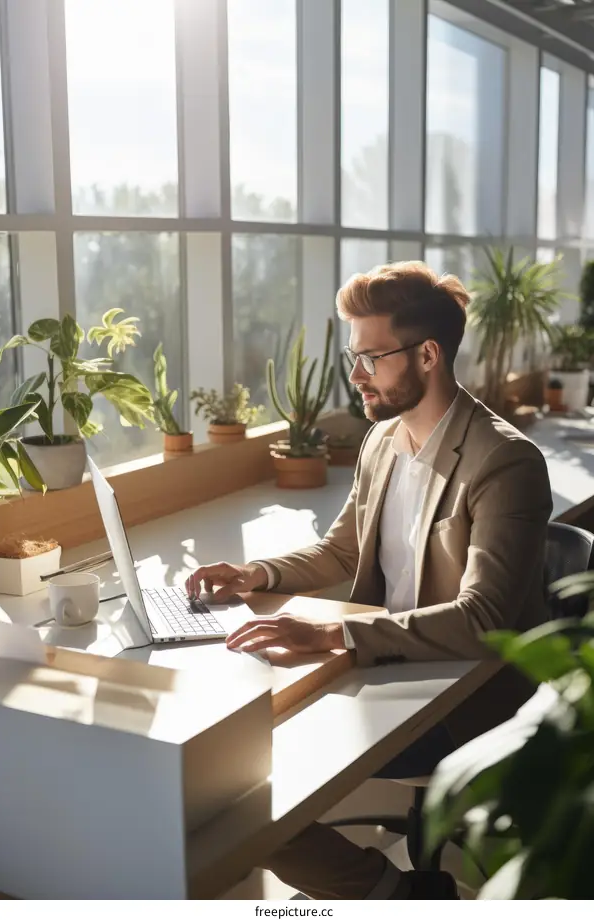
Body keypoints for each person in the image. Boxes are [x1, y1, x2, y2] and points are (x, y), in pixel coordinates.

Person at [186, 261, 553, 900]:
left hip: (465, 696)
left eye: (370, 358)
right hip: (385, 670)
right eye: (353, 358)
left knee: (247, 799)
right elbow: (342, 550)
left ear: (429, 355)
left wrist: (334, 636)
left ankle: (382, 897)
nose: (355, 375)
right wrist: (255, 573)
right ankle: (391, 892)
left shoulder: (506, 462)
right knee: (219, 784)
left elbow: (484, 618)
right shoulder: (382, 439)